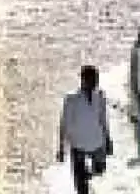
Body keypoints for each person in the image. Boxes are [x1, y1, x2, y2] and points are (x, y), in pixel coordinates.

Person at [58, 65, 112, 194]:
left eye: (96, 80)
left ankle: (88, 175)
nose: (95, 83)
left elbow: (103, 119)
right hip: (78, 144)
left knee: (100, 170)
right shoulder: (71, 99)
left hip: (97, 141)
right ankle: (83, 181)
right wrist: (61, 147)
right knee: (81, 186)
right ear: (83, 80)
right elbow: (64, 123)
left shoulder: (100, 95)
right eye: (92, 80)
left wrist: (108, 139)